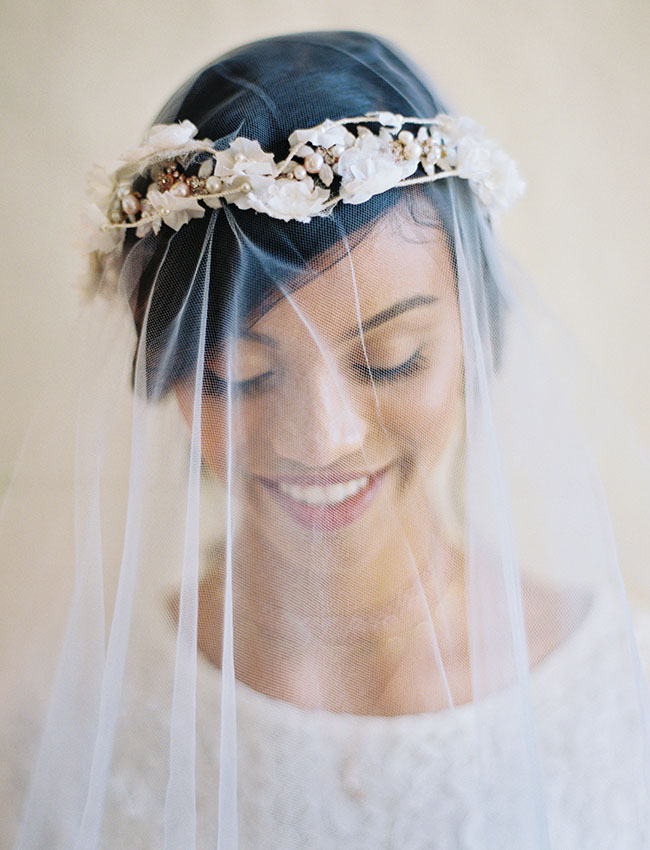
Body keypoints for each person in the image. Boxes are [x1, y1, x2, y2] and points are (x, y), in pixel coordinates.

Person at [3, 30, 650, 849]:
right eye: (239, 374)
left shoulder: (626, 702)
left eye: (390, 360)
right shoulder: (72, 724)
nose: (323, 440)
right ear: (166, 370)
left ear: (476, 334)